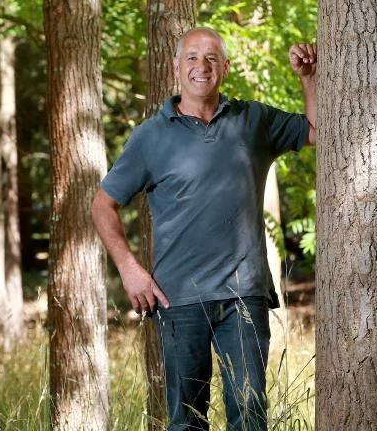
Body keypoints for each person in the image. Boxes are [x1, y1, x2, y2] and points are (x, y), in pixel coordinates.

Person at [91, 27, 317, 430]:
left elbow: (318, 132)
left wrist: (309, 80)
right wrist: (129, 268)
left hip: (244, 296)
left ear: (225, 68)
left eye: (212, 58)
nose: (201, 66)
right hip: (177, 300)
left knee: (249, 416)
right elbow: (103, 205)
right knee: (187, 422)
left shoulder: (254, 120)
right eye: (192, 57)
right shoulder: (150, 137)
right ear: (177, 66)